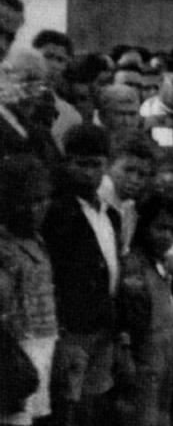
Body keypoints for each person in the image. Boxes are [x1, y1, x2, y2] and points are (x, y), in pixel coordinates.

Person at [43, 125, 119, 426]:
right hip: (73, 327)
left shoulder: (109, 213)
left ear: (106, 166)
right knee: (68, 403)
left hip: (103, 323)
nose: (88, 173)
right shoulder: (58, 213)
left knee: (93, 400)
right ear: (66, 163)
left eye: (95, 165)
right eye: (80, 164)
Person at [116, 196, 173, 426]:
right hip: (144, 351)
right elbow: (128, 316)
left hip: (167, 349)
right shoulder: (134, 265)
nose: (167, 235)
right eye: (160, 227)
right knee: (143, 414)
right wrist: (127, 353)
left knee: (162, 414)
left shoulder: (163, 263)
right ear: (145, 226)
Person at [0, 156, 57, 426]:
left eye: (44, 200)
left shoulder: (36, 239)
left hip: (42, 343)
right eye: (30, 201)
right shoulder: (5, 247)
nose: (39, 209)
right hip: (15, 348)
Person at [98, 134, 156, 256]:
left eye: (142, 175)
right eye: (128, 170)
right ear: (109, 166)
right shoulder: (94, 198)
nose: (134, 179)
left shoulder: (130, 209)